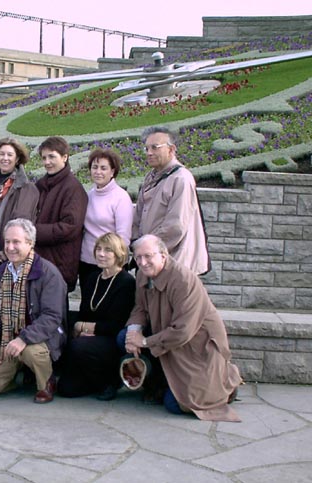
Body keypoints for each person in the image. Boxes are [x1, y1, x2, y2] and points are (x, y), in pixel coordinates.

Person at [124, 234, 241, 421]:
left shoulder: (183, 280)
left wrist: (144, 341)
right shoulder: (141, 275)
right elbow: (140, 308)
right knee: (122, 337)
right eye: (138, 257)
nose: (143, 262)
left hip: (194, 346)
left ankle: (227, 384)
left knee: (175, 404)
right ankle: (157, 384)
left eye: (148, 256)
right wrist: (133, 333)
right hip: (164, 335)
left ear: (163, 255)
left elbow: (183, 331)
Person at [0, 218, 67, 404]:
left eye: (16, 242)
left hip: (42, 338)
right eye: (7, 242)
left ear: (30, 243)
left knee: (31, 352)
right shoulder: (0, 273)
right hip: (8, 340)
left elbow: (52, 317)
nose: (10, 247)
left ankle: (46, 382)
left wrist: (24, 338)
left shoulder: (48, 273)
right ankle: (17, 377)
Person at [58, 233, 135, 400]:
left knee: (78, 346)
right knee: (66, 389)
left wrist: (83, 327)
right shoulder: (93, 278)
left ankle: (108, 383)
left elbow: (117, 325)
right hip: (89, 337)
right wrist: (80, 328)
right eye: (98, 249)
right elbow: (84, 312)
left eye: (108, 250)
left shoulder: (126, 282)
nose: (101, 254)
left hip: (111, 339)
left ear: (119, 254)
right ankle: (92, 380)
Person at [131, 126, 209, 275]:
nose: (149, 153)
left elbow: (176, 225)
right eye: (146, 148)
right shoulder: (150, 177)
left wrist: (149, 251)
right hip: (149, 261)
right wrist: (136, 244)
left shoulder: (181, 179)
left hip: (173, 263)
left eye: (155, 147)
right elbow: (138, 215)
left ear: (171, 149)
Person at [34, 136, 88, 293]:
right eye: (44, 158)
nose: (47, 162)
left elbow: (70, 227)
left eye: (52, 156)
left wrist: (33, 231)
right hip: (41, 259)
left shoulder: (73, 188)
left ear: (65, 157)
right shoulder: (42, 185)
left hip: (60, 261)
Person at [79, 148, 133, 289]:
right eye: (94, 167)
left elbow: (124, 237)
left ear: (112, 171)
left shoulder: (121, 197)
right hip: (87, 261)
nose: (98, 172)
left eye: (103, 168)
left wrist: (115, 263)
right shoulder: (89, 195)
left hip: (110, 264)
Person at [0, 138, 39, 262]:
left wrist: (8, 250)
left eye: (10, 155)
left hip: (7, 252)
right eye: (1, 154)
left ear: (17, 159)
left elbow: (22, 222)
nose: (5, 158)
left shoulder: (25, 187)